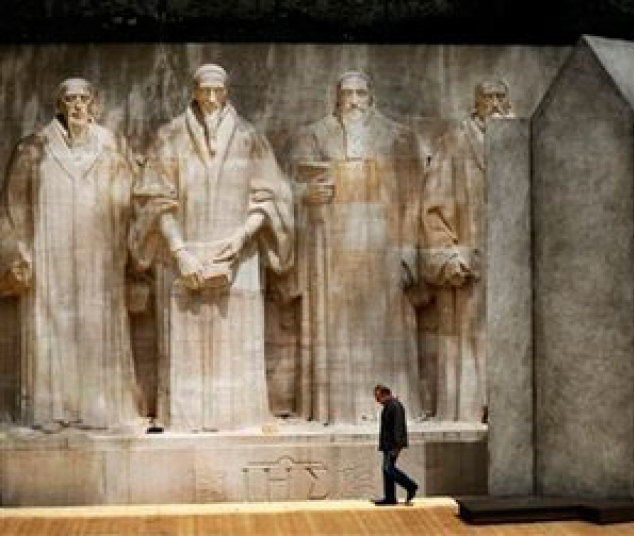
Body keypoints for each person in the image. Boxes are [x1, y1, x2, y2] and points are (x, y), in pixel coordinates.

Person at [129, 64, 294, 432]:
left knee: (236, 348)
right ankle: (185, 422)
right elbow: (154, 199)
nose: (212, 97)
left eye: (218, 90)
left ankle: (240, 420)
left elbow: (270, 197)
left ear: (228, 91)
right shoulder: (170, 136)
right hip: (182, 257)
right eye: (205, 90)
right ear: (194, 91)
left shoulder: (249, 137)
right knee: (184, 350)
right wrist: (179, 251)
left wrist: (238, 243)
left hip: (239, 257)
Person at [0, 78, 142, 432]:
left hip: (98, 253)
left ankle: (100, 409)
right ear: (59, 105)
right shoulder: (33, 148)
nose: (78, 106)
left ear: (93, 103)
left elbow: (129, 197)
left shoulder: (110, 146)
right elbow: (12, 207)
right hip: (51, 253)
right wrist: (18, 254)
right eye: (70, 100)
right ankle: (52, 410)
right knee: (52, 326)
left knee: (97, 326)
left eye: (84, 99)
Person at [289, 71, 425, 424]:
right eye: (346, 93)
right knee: (335, 330)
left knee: (386, 329)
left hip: (384, 247)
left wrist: (409, 248)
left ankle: (391, 409)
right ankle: (339, 411)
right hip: (330, 248)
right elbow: (287, 187)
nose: (353, 100)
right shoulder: (315, 135)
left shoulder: (399, 137)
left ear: (371, 96)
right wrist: (305, 194)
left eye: (360, 93)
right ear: (336, 98)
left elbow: (414, 199)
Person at [420, 80, 514, 422]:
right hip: (469, 261)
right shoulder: (454, 142)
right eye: (487, 98)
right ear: (476, 103)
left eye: (500, 97)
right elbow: (434, 205)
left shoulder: (520, 138)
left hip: (513, 265)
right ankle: (469, 413)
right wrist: (446, 253)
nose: (495, 104)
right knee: (466, 344)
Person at [373, 384, 418, 505]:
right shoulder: (389, 406)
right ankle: (390, 497)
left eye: (378, 398)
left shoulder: (395, 406)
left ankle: (410, 486)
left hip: (393, 445)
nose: (377, 401)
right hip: (388, 445)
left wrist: (397, 446)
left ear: (385, 394)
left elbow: (398, 427)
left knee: (388, 469)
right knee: (386, 470)